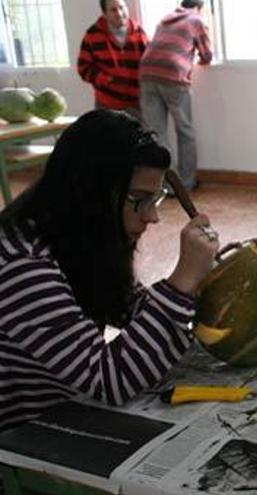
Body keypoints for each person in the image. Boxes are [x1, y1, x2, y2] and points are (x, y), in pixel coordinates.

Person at [0, 110, 219, 431]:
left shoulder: (81, 238)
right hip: (21, 441)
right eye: (139, 199)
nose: (152, 217)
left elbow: (127, 306)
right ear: (89, 191)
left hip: (67, 409)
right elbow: (109, 379)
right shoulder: (22, 264)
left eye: (155, 199)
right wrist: (180, 283)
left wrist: (202, 283)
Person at [140, 0, 213, 192]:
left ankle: (164, 185)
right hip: (172, 74)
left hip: (147, 71)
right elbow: (207, 55)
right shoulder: (196, 19)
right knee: (185, 131)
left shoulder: (165, 19)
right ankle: (185, 184)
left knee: (156, 134)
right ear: (200, 7)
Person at [77, 0, 149, 116]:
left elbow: (149, 64)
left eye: (122, 8)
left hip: (136, 104)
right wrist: (108, 81)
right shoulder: (92, 35)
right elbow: (83, 68)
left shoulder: (140, 33)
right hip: (106, 105)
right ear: (104, 14)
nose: (119, 13)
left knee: (137, 134)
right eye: (113, 10)